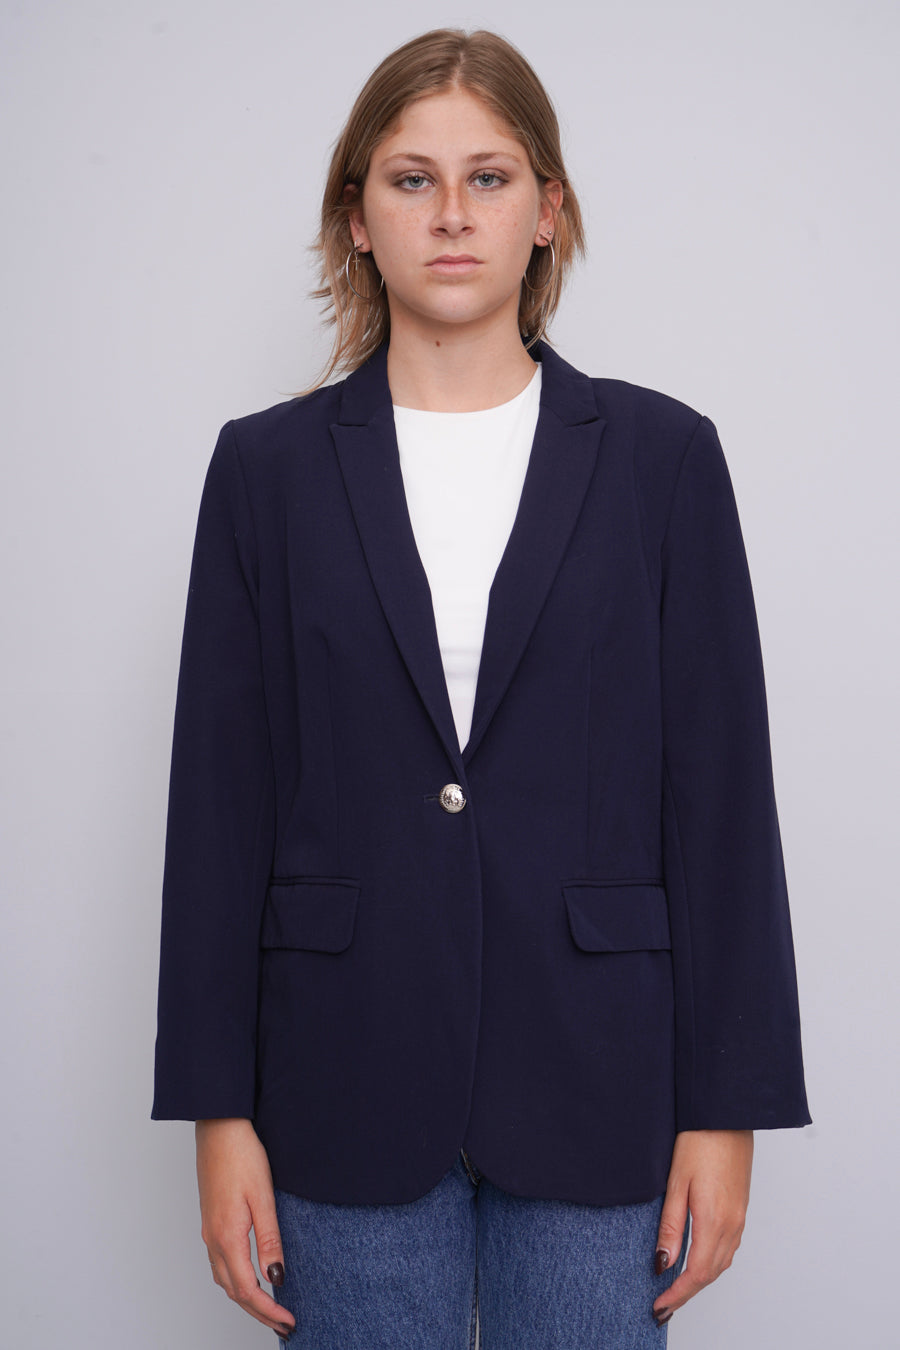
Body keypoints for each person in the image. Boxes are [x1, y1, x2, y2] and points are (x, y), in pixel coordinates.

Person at [151, 27, 811, 1349]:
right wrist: (217, 1113)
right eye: (412, 179)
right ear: (356, 218)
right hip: (340, 1073)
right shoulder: (266, 474)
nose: (452, 213)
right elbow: (220, 806)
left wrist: (727, 1110)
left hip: (600, 1076)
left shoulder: (664, 461)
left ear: (548, 210)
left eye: (490, 177)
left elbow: (722, 800)